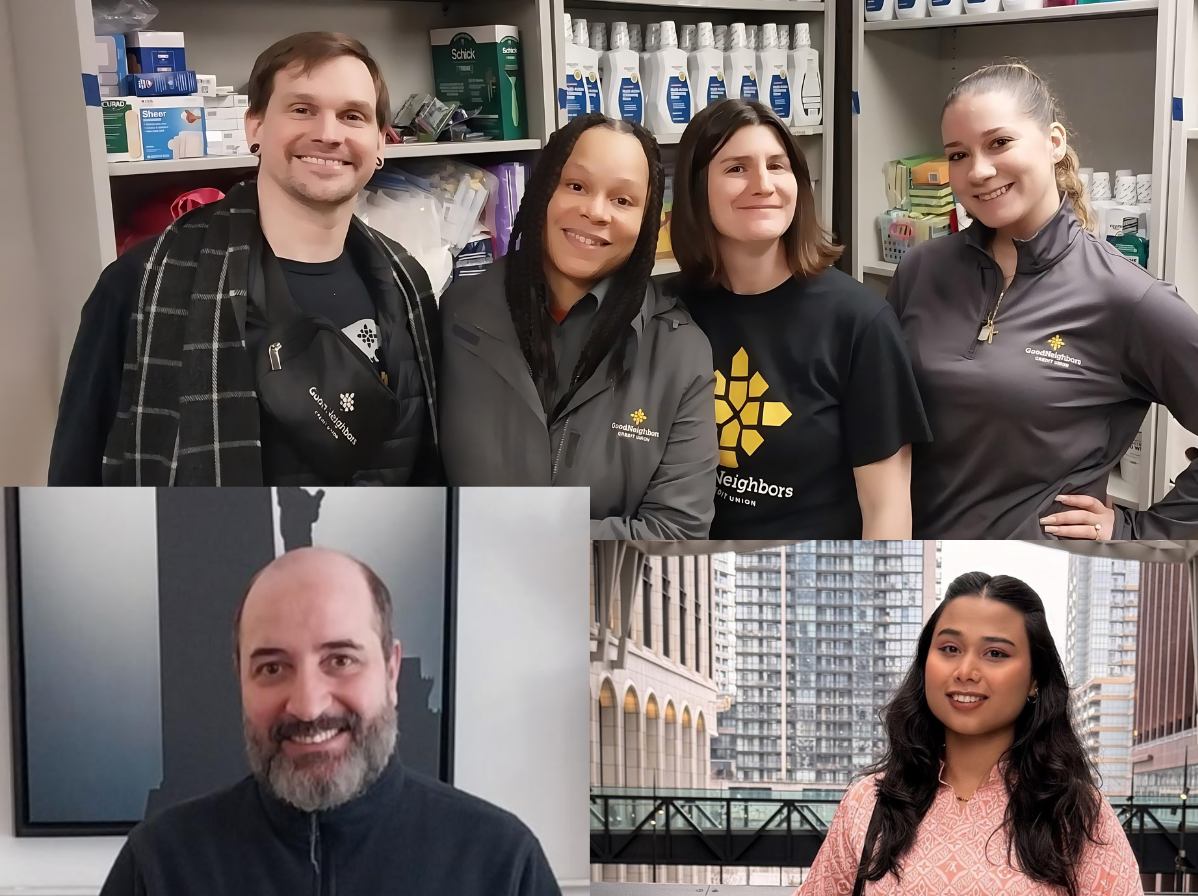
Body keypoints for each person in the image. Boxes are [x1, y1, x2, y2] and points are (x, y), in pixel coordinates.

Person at [588, 572, 1159, 896]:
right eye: (950, 647)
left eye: (996, 653)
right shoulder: (874, 803)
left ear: (1035, 680)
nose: (966, 670)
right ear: (925, 664)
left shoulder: (1071, 808)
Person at [59, 547, 587, 896]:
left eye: (340, 659)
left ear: (392, 668)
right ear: (240, 679)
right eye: (272, 667)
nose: (308, 705)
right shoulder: (160, 864)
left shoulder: (498, 862)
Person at [888, 63, 1198, 541]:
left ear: (1054, 141)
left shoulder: (1126, 298)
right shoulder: (922, 270)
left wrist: (1140, 532)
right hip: (912, 558)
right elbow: (886, 416)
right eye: (958, 154)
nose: (978, 170)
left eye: (999, 143)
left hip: (1038, 576)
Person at [49, 32, 442, 486]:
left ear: (380, 143)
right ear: (254, 125)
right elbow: (75, 474)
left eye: (352, 115)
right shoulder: (141, 284)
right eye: (302, 109)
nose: (328, 134)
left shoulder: (408, 283)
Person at [439, 113, 718, 540]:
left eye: (623, 200)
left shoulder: (678, 353)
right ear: (542, 190)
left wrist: (523, 542)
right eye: (576, 186)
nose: (595, 211)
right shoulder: (461, 311)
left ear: (650, 221)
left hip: (606, 595)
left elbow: (676, 530)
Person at [670, 99, 928, 539]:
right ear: (696, 189)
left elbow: (886, 510)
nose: (763, 185)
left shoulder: (860, 322)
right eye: (736, 169)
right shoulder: (664, 311)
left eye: (777, 166)